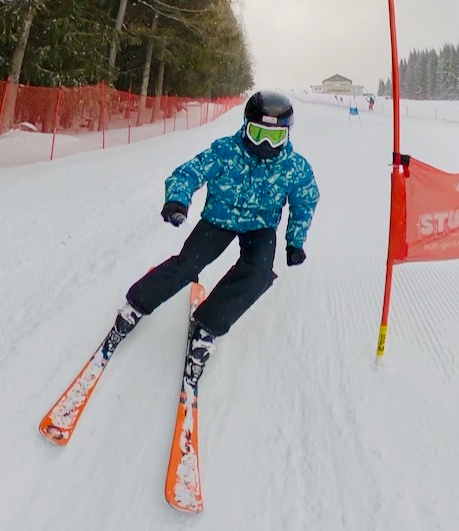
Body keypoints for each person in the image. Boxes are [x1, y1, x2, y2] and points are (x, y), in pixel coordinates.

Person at [111, 91, 320, 384]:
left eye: (275, 137)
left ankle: (208, 326)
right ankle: (136, 305)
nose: (264, 144)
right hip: (219, 219)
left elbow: (305, 201)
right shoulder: (226, 151)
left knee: (258, 274)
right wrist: (177, 200)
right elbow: (188, 174)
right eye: (258, 133)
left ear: (287, 135)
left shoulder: (295, 167)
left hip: (260, 226)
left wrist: (295, 241)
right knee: (187, 265)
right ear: (246, 126)